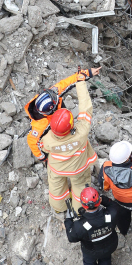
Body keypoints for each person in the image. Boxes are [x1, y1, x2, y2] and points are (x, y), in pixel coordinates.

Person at [38, 73, 97, 219]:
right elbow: (85, 108)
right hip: (78, 168)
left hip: (57, 169)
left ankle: (59, 207)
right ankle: (79, 210)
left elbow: (43, 148)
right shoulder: (82, 131)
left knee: (56, 188)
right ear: (71, 125)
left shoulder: (48, 140)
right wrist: (81, 82)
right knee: (80, 187)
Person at [24, 67, 100, 161]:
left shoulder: (51, 95)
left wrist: (87, 73)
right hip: (55, 136)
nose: (58, 95)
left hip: (62, 121)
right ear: (52, 110)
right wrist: (44, 157)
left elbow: (66, 83)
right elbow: (32, 141)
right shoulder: (39, 126)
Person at [64, 186, 125, 265]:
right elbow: (114, 205)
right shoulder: (112, 214)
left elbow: (71, 237)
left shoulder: (80, 226)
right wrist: (103, 199)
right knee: (106, 258)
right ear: (98, 201)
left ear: (83, 205)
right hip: (110, 245)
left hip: (91, 251)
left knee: (89, 263)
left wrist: (69, 219)